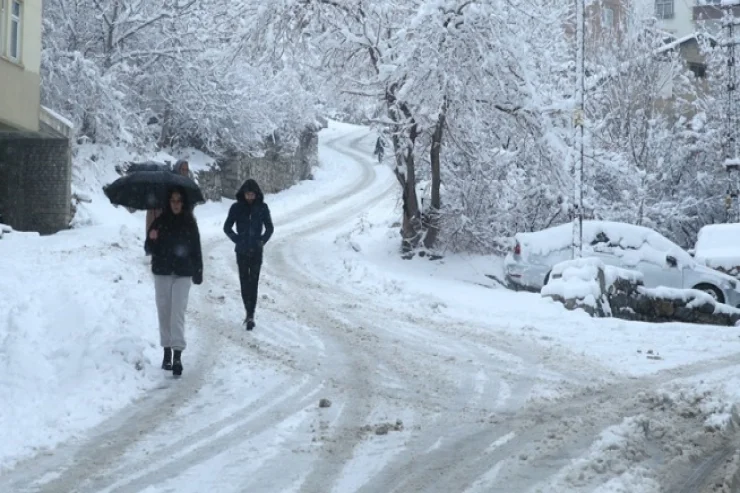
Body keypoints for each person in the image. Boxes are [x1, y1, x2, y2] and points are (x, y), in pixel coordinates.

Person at [145, 186, 203, 376]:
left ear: (183, 202)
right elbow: (148, 247)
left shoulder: (189, 223)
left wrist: (198, 269)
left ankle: (177, 354)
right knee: (164, 311)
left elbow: (196, 247)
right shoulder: (160, 222)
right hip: (162, 271)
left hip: (183, 273)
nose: (176, 204)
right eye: (173, 200)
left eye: (179, 200)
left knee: (177, 312)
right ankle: (166, 352)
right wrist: (152, 239)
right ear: (168, 203)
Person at [223, 179, 274, 331]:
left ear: (256, 194)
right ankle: (248, 311)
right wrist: (236, 239)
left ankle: (251, 314)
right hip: (242, 251)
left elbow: (270, 228)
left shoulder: (263, 208)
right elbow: (227, 227)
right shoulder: (236, 208)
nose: (250, 197)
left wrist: (262, 241)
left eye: (252, 194)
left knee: (254, 283)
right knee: (244, 283)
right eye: (247, 194)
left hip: (257, 251)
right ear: (243, 194)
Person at [145, 160, 190, 239]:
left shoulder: (187, 185)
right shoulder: (170, 183)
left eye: (186, 170)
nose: (184, 172)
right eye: (182, 169)